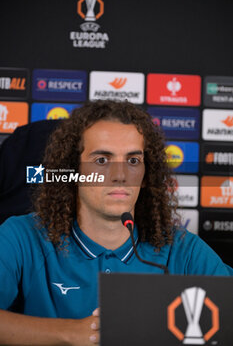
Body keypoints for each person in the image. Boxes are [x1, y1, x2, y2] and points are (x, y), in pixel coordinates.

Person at [0, 100, 232, 345]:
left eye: (133, 161)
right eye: (102, 160)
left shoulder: (183, 250)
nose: (120, 175)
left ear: (146, 175)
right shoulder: (21, 237)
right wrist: (70, 333)